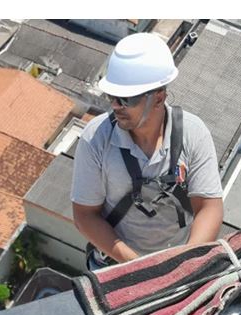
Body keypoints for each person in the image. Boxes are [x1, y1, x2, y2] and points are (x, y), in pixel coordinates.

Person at [71, 33, 224, 270]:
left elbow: (208, 207)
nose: (115, 105)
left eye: (125, 99)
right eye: (112, 96)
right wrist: (142, 268)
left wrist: (186, 266)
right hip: (118, 264)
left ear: (158, 98)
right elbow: (85, 215)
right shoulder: (96, 139)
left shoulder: (192, 134)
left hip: (181, 260)